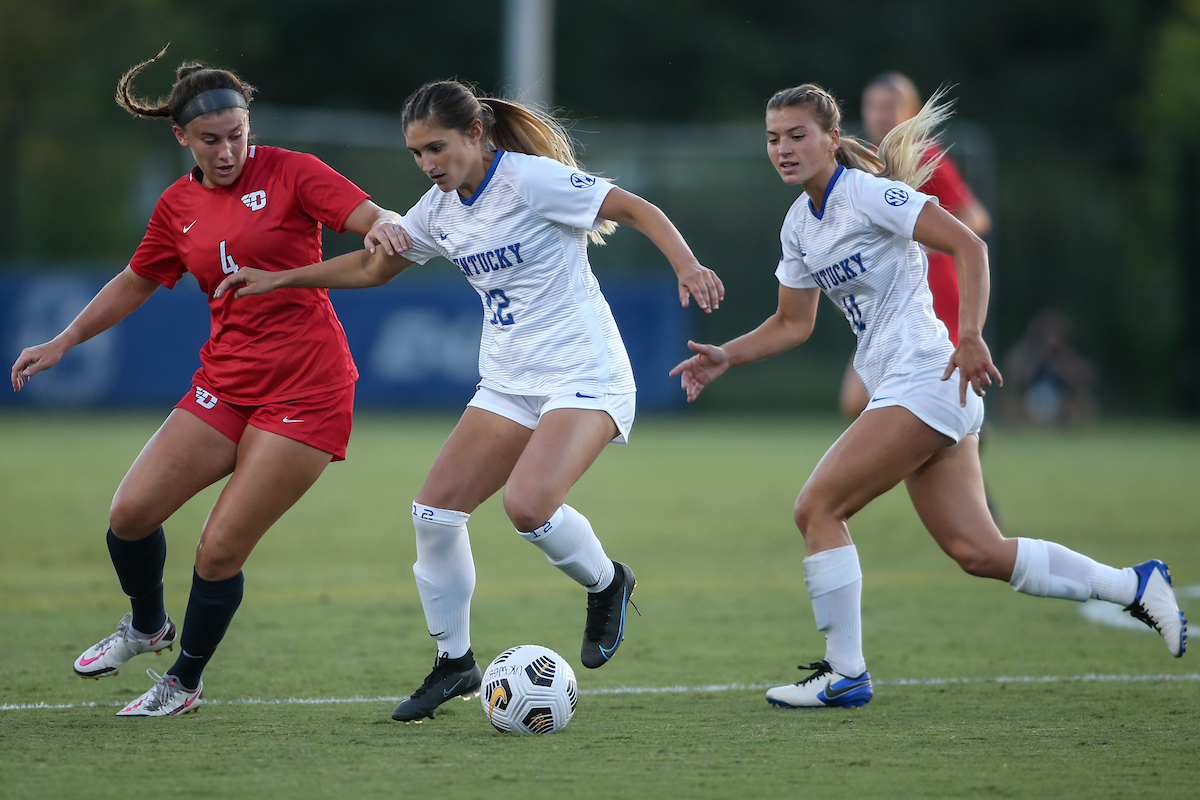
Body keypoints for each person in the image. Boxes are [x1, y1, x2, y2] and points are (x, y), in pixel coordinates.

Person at [214, 79, 724, 722]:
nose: (428, 164)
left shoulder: (530, 180)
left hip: (585, 374)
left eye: (437, 148)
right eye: (417, 154)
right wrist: (281, 279)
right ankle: (454, 665)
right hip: (510, 380)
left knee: (528, 506)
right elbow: (375, 269)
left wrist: (686, 265)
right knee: (433, 513)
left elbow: (635, 208)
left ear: (476, 134)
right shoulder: (437, 209)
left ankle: (607, 581)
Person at [669, 83, 1187, 710]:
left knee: (817, 509)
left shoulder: (866, 193)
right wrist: (728, 353)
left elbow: (970, 245)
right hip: (913, 387)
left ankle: (845, 672)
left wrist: (969, 336)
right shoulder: (799, 224)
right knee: (979, 550)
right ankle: (1135, 585)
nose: (783, 148)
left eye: (798, 135)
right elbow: (792, 323)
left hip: (926, 377)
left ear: (833, 139)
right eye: (774, 138)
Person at [9, 47, 410, 716]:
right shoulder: (176, 205)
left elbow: (373, 219)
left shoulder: (292, 172)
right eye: (211, 140)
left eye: (237, 136)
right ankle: (146, 626)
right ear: (181, 138)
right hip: (224, 383)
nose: (227, 152)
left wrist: (391, 223)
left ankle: (185, 681)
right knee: (130, 515)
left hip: (306, 388)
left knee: (219, 548)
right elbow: (138, 278)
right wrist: (64, 340)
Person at [838, 72, 992, 418]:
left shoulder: (923, 156)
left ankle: (963, 439)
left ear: (912, 112)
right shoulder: (868, 164)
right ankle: (955, 442)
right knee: (857, 400)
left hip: (933, 293)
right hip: (890, 297)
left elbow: (976, 217)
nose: (881, 114)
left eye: (891, 106)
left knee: (926, 393)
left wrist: (926, 242)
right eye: (873, 106)